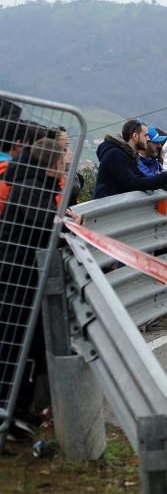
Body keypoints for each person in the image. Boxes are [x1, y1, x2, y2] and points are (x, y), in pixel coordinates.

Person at [0, 137, 83, 421]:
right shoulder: (30, 187)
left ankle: (20, 410)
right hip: (18, 277)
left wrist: (63, 220)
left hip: (27, 276)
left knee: (31, 346)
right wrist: (65, 224)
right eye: (63, 162)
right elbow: (43, 223)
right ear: (55, 164)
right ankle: (9, 413)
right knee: (15, 347)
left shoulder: (36, 184)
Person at [95, 119, 167, 198]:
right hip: (107, 211)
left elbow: (143, 178)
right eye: (145, 135)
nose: (147, 139)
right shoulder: (115, 155)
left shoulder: (129, 156)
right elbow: (134, 183)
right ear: (135, 136)